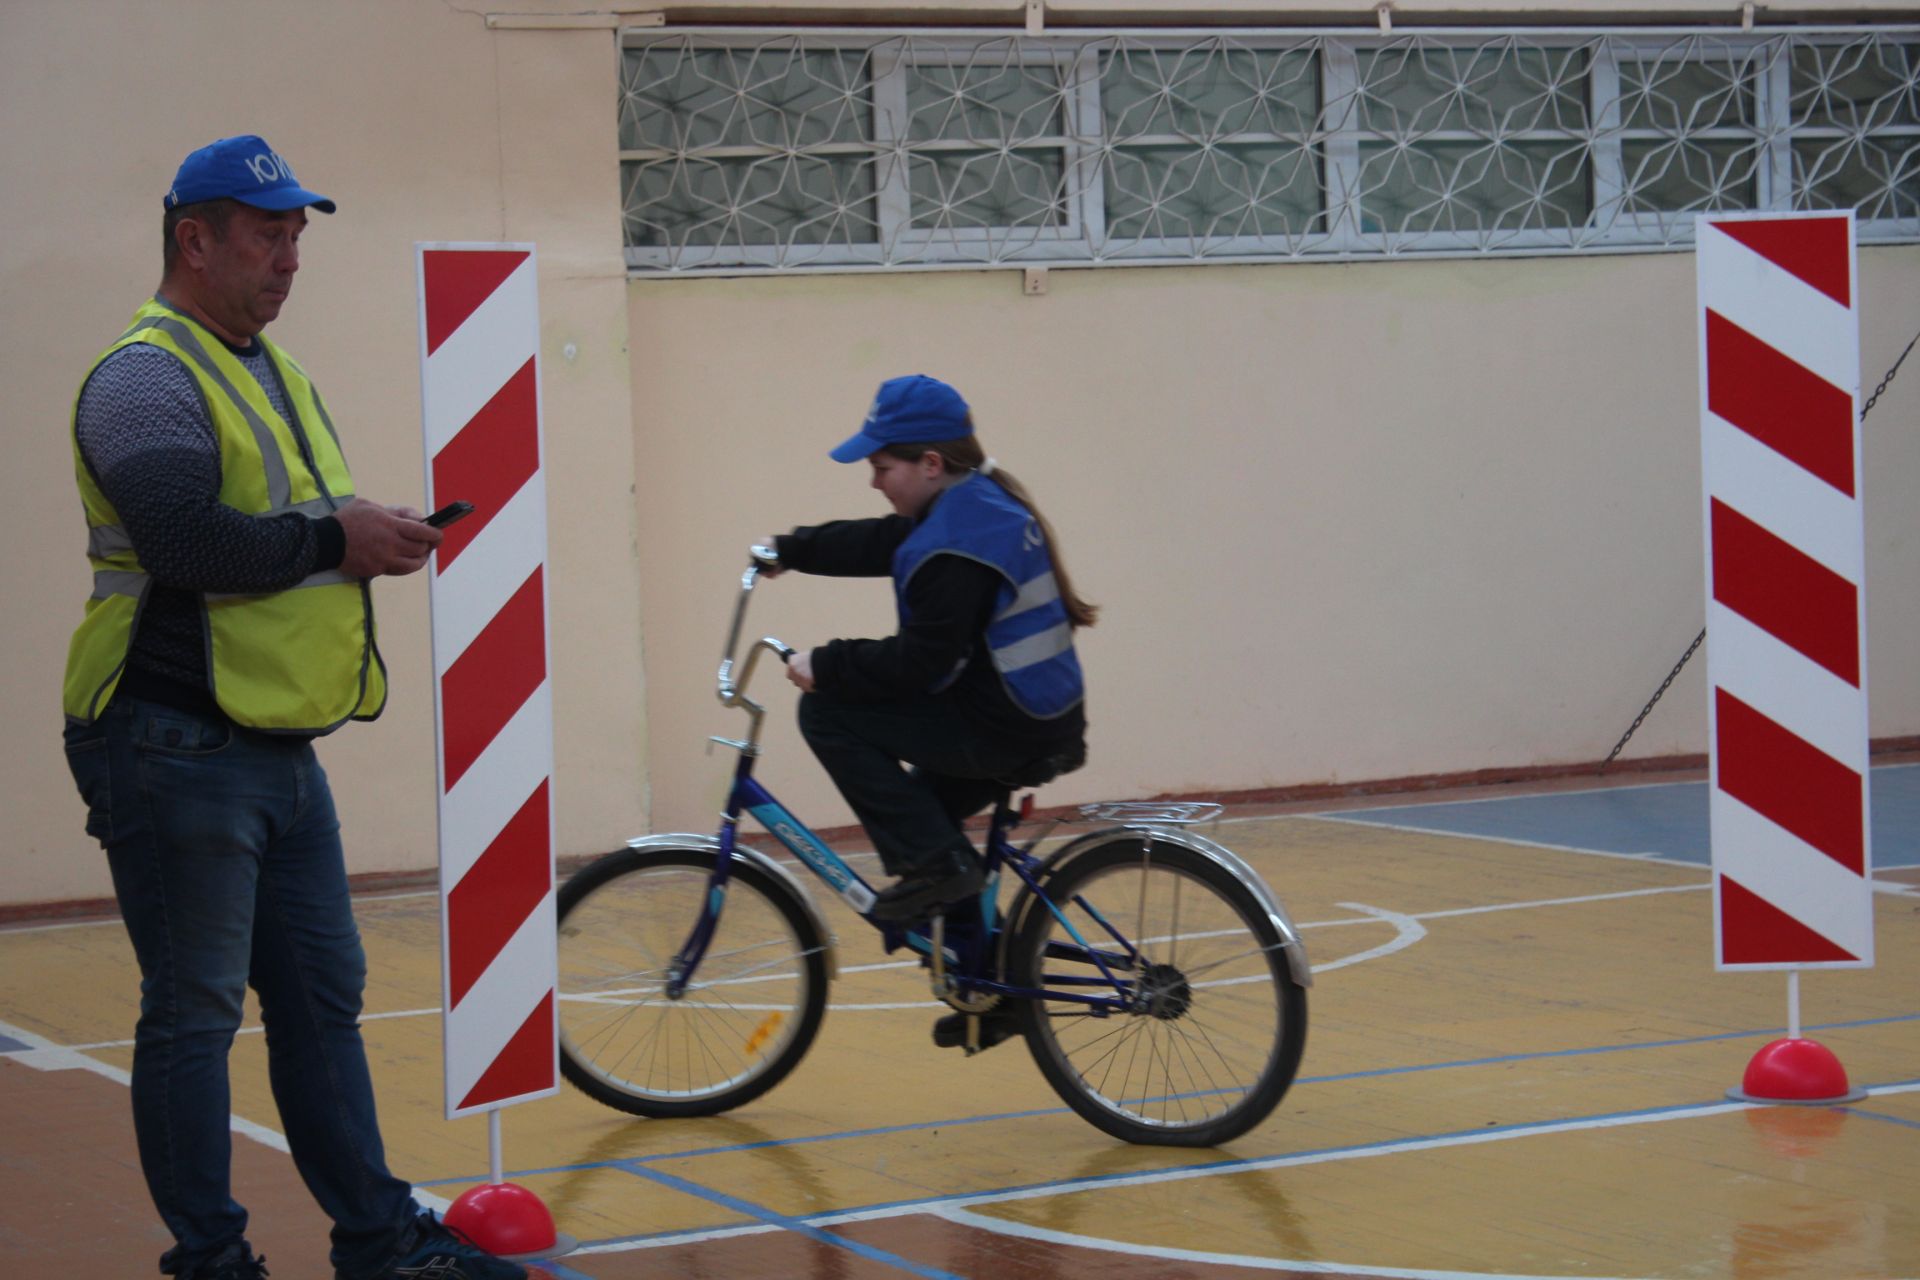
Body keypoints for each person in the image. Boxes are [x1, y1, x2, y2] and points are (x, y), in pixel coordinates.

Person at [59, 136, 530, 1280]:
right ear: (195, 239)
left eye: (298, 234)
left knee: (321, 997)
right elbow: (179, 539)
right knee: (196, 1011)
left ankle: (377, 1242)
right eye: (268, 234)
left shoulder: (266, 367)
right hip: (170, 738)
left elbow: (282, 533)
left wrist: (365, 535)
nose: (290, 257)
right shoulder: (144, 375)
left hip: (272, 744)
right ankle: (212, 1260)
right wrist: (337, 536)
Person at [768, 374, 1095, 929]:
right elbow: (884, 541)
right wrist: (792, 550)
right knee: (928, 826)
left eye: (881, 468)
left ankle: (939, 869)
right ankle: (986, 997)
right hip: (1033, 718)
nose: (874, 482)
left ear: (931, 463)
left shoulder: (959, 545)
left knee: (826, 711)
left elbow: (920, 665)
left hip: (1006, 726)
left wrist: (825, 665)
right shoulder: (975, 504)